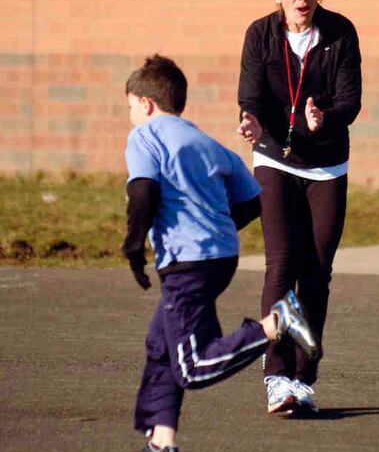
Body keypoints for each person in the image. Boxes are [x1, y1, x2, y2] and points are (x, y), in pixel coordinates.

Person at [122, 54, 319, 452]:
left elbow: (142, 191)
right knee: (161, 346)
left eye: (129, 107)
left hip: (187, 264)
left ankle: (276, 323)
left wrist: (132, 245)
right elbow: (250, 200)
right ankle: (162, 442)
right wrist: (217, 227)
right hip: (219, 257)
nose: (130, 115)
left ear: (145, 103)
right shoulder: (205, 142)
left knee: (192, 368)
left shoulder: (145, 136)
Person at [236, 0, 362, 415]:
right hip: (274, 160)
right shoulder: (260, 34)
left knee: (316, 271)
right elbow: (249, 96)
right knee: (281, 264)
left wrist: (322, 118)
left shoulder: (340, 33)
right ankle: (276, 375)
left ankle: (303, 377)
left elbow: (351, 100)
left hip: (326, 166)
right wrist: (249, 121)